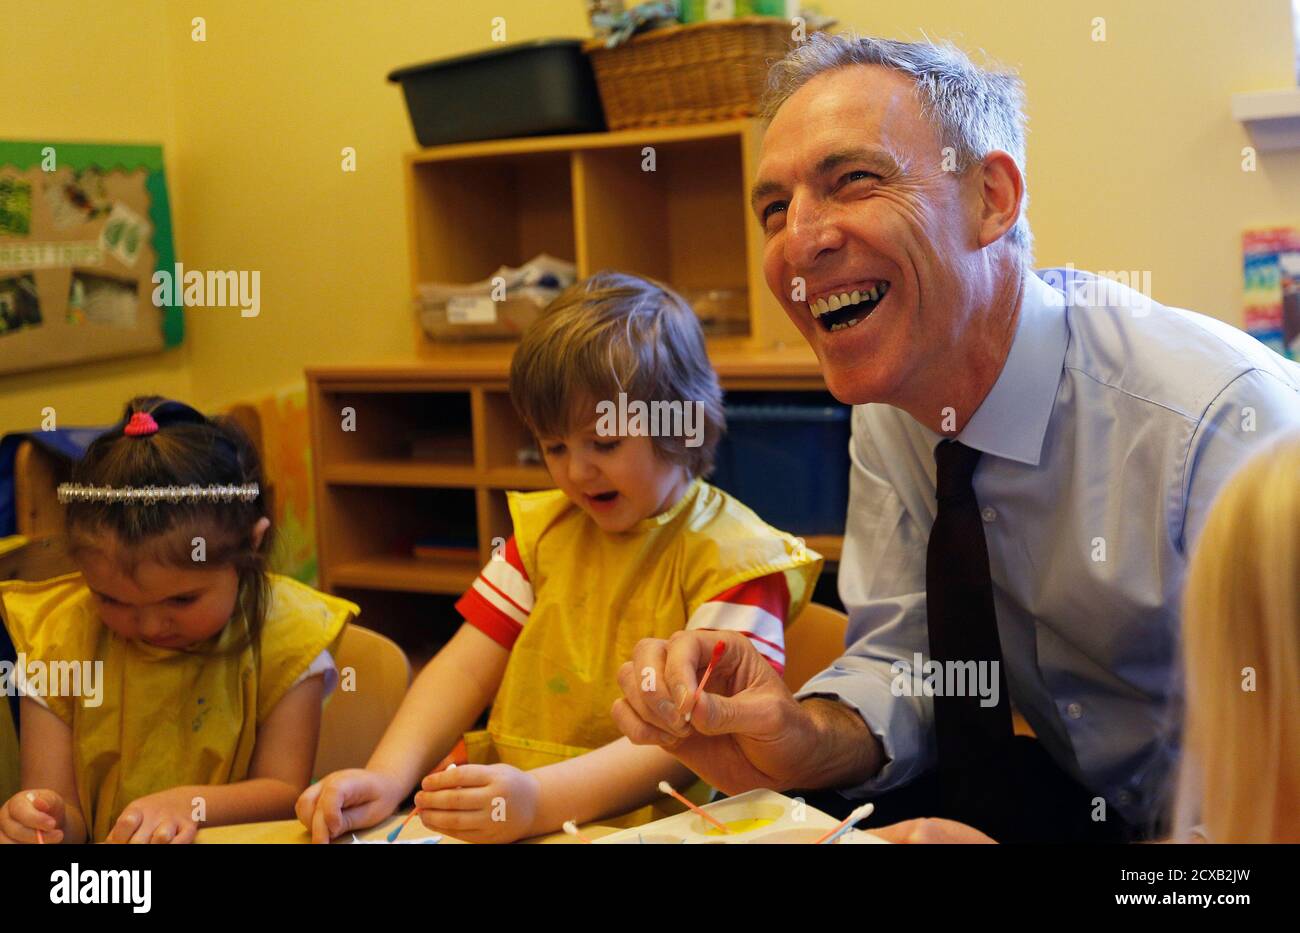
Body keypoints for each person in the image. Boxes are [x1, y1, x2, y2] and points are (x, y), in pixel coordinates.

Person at [613, 34, 1300, 842]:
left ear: (992, 198)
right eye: (774, 210)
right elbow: (906, 662)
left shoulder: (1224, 429)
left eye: (853, 181)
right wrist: (797, 738)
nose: (798, 242)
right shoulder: (893, 398)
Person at [297, 272, 822, 843]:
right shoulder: (545, 532)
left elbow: (689, 741)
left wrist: (538, 800)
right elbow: (465, 667)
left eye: (604, 443)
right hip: (524, 818)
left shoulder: (737, 560)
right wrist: (385, 775)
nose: (576, 471)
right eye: (554, 446)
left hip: (667, 827)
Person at [0, 397, 355, 843]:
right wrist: (43, 819)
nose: (148, 627)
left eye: (182, 599)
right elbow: (66, 818)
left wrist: (192, 806)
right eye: (110, 599)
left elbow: (286, 792)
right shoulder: (56, 638)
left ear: (252, 543)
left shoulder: (288, 635)